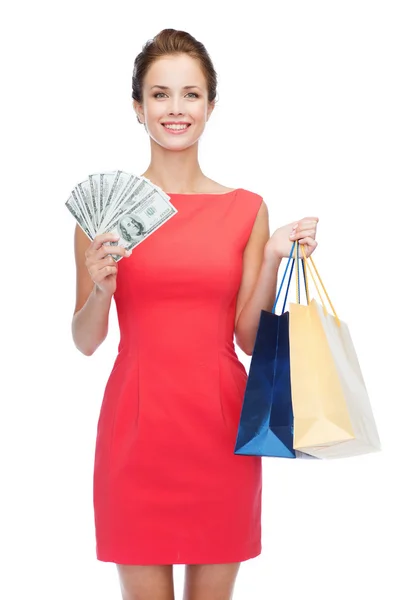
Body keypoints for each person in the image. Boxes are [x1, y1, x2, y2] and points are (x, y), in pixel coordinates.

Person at [72, 28, 318, 600]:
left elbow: (250, 339)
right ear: (138, 108)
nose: (175, 109)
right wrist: (101, 288)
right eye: (160, 95)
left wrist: (277, 259)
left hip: (218, 429)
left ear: (210, 106)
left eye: (190, 94)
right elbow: (86, 340)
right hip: (135, 431)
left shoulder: (247, 210)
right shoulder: (103, 212)